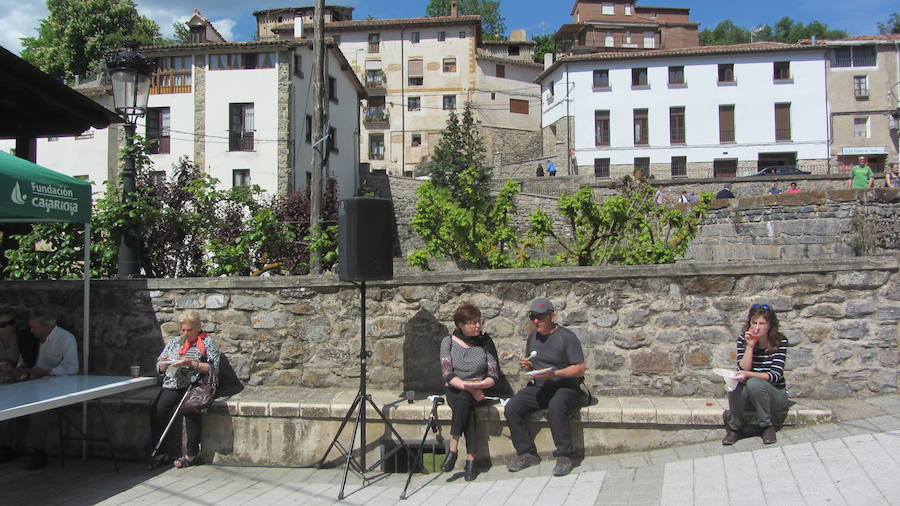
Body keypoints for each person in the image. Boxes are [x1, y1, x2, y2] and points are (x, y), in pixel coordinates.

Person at [505, 298, 586, 477]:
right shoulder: (533, 337)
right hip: (541, 386)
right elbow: (534, 365)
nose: (536, 321)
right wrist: (527, 366)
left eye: (540, 317)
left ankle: (565, 455)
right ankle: (526, 453)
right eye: (532, 317)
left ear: (552, 316)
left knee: (556, 406)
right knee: (512, 407)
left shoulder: (566, 337)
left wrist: (555, 374)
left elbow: (580, 369)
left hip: (566, 386)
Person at [148, 310, 220, 470]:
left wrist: (191, 364)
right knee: (158, 408)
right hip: (175, 382)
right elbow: (159, 365)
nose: (186, 333)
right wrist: (165, 363)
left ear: (197, 328)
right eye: (183, 330)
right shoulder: (175, 342)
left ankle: (191, 453)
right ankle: (160, 452)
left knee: (191, 408)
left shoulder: (208, 343)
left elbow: (213, 368)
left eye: (190, 330)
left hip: (196, 384)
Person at [439, 303, 498, 481]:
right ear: (461, 325)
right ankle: (471, 458)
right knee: (465, 401)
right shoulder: (448, 342)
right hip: (456, 389)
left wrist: (477, 387)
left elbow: (494, 375)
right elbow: (447, 374)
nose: (477, 326)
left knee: (465, 402)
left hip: (480, 389)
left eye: (478, 322)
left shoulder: (486, 343)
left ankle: (453, 448)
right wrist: (468, 388)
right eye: (472, 323)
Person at [14, 313, 79, 470]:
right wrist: (19, 370)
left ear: (47, 326)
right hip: (30, 381)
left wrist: (47, 372)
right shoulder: (29, 340)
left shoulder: (65, 338)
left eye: (34, 327)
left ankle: (39, 451)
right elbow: (23, 361)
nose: (31, 331)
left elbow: (72, 368)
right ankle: (7, 447)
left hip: (55, 385)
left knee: (39, 409)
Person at [722, 304, 789, 446]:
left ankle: (766, 426)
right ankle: (734, 428)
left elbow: (775, 375)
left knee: (753, 382)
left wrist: (747, 374)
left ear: (770, 325)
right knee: (735, 384)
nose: (757, 327)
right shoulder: (744, 340)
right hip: (752, 394)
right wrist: (750, 346)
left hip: (774, 395)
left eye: (762, 323)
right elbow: (742, 368)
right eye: (754, 323)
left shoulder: (780, 342)